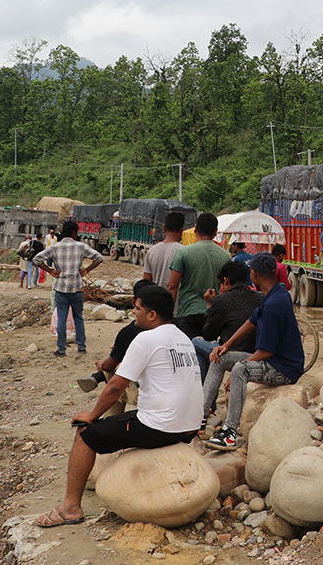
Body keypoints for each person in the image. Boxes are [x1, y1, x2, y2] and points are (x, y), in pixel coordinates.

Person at [34, 285, 202, 528]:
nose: (133, 312)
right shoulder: (182, 338)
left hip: (161, 426)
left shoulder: (146, 338)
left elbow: (115, 387)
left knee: (85, 433)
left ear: (152, 314)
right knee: (125, 421)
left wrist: (92, 415)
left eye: (137, 308)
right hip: (189, 427)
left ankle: (70, 508)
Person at [205, 253, 305, 450]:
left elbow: (266, 351)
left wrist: (239, 370)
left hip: (284, 368)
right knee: (220, 358)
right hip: (274, 361)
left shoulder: (274, 304)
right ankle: (200, 415)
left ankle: (230, 432)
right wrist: (227, 345)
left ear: (255, 274)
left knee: (240, 370)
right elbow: (252, 321)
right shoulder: (275, 293)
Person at [76, 280, 153, 418]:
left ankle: (110, 418)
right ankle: (97, 378)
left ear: (134, 301)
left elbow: (109, 365)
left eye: (137, 308)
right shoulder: (173, 327)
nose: (133, 311)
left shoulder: (130, 331)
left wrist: (103, 365)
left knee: (114, 379)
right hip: (173, 389)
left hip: (147, 389)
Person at [192, 260, 263, 403]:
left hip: (232, 354)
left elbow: (209, 334)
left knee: (196, 343)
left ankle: (204, 400)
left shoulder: (221, 301)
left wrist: (210, 304)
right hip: (257, 355)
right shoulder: (261, 298)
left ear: (226, 280)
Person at [168, 213, 231, 364]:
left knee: (188, 355)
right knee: (208, 355)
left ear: (195, 229)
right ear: (215, 232)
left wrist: (168, 315)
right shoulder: (225, 256)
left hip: (187, 311)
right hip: (212, 313)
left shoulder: (183, 252)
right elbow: (227, 288)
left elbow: (172, 286)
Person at [34, 221, 103, 356]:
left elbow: (36, 259)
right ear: (74, 233)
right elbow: (99, 258)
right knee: (78, 318)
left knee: (62, 319)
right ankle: (81, 346)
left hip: (61, 287)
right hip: (77, 287)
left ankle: (61, 349)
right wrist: (87, 270)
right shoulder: (81, 246)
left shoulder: (55, 247)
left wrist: (50, 270)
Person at [143, 212, 185, 289]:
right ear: (182, 230)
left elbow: (146, 281)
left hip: (155, 295)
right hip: (175, 296)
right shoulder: (184, 251)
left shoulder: (151, 251)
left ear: (164, 228)